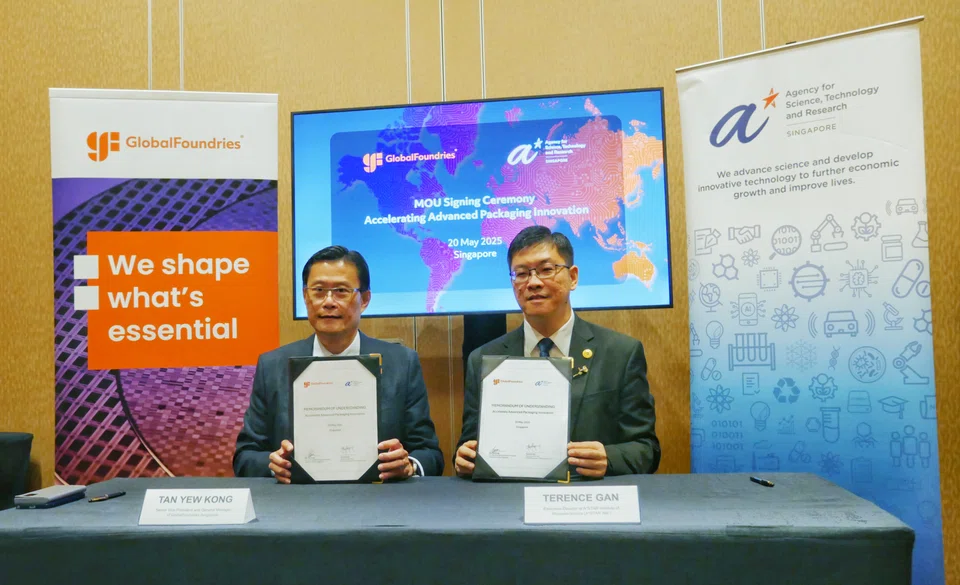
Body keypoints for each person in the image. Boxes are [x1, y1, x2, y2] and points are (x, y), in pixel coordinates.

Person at [455, 226, 660, 478]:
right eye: (521, 274)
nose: (533, 282)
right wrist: (464, 458)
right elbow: (470, 447)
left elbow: (646, 449)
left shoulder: (620, 353)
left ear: (573, 277)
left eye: (546, 270)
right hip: (506, 504)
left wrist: (609, 458)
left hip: (588, 502)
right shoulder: (484, 359)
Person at [234, 246, 444, 482]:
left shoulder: (401, 363)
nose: (329, 302)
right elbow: (245, 457)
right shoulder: (273, 365)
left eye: (341, 291)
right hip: (296, 505)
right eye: (319, 291)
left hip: (379, 504)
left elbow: (430, 454)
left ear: (364, 300)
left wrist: (408, 466)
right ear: (305, 296)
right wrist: (274, 465)